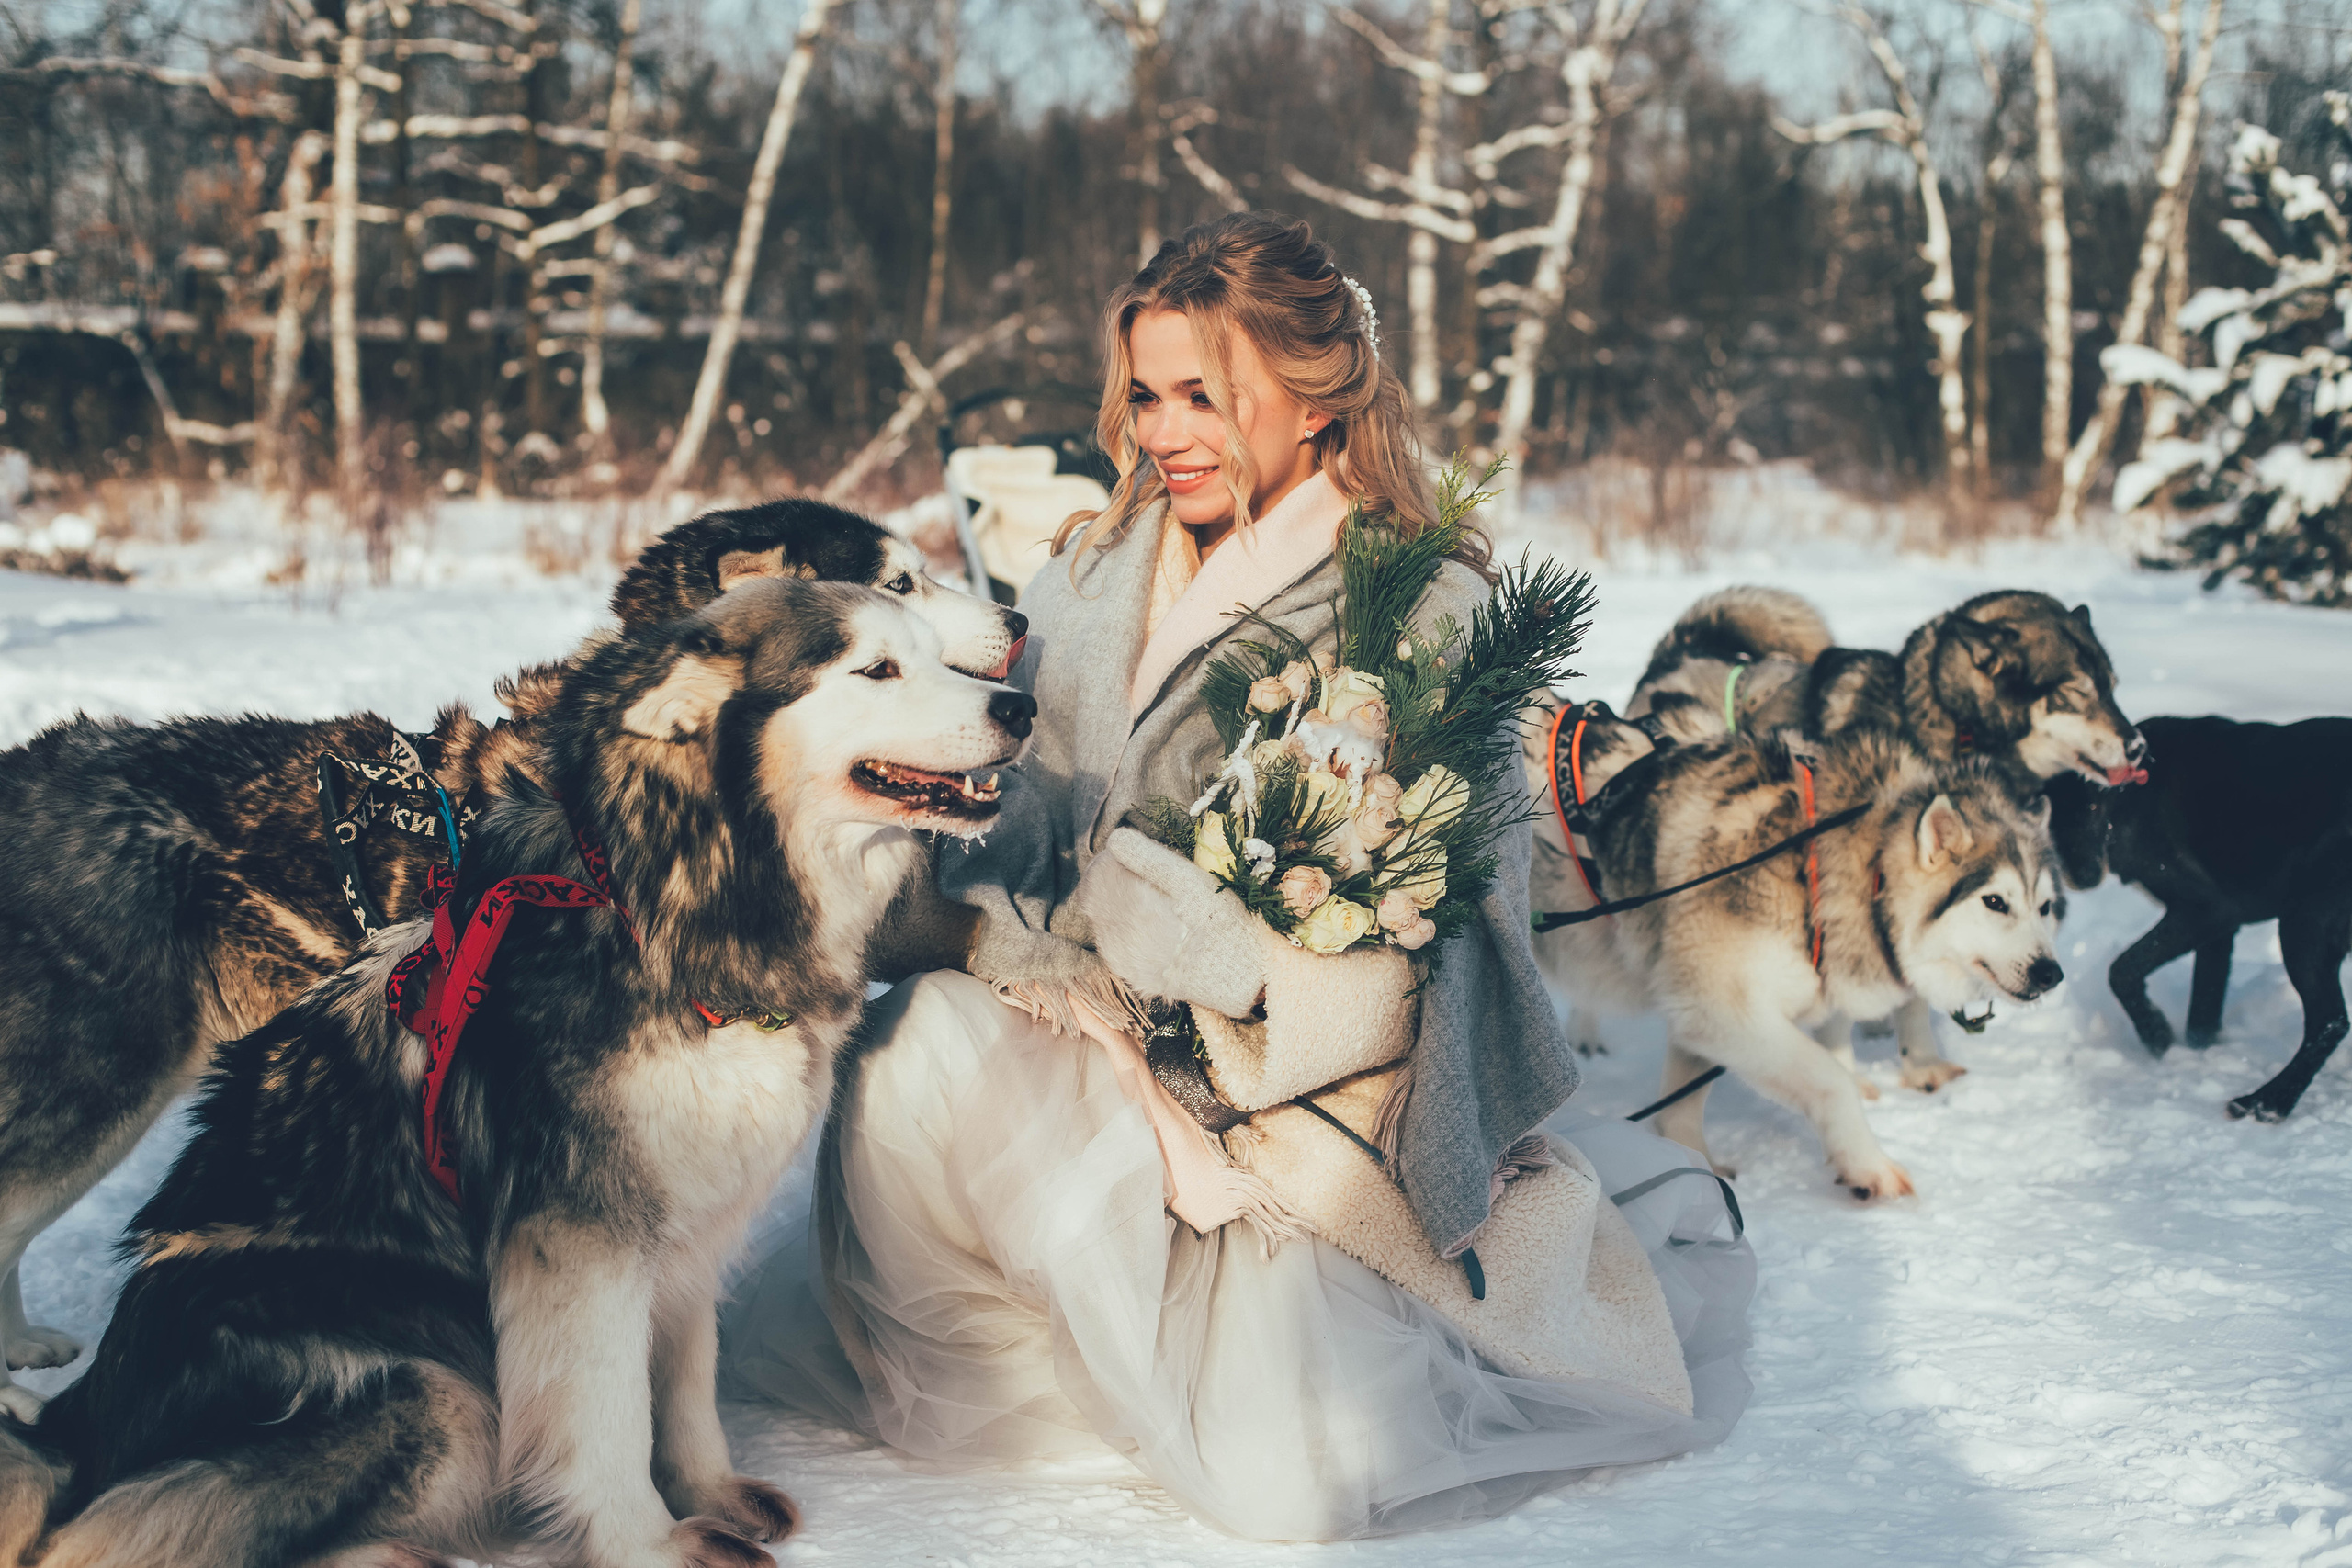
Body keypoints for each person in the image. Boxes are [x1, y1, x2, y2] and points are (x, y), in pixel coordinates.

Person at [721, 211, 1752, 1540]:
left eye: (1204, 396)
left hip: (1280, 1091)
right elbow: (1031, 817)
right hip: (1081, 1017)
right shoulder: (1093, 571)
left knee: (1291, 1480)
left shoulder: (1416, 602)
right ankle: (1063, 1366)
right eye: (1146, 396)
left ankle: (1181, 1346)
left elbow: (1454, 929)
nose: (1162, 432)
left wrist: (1193, 938)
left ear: (1314, 398)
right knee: (910, 1049)